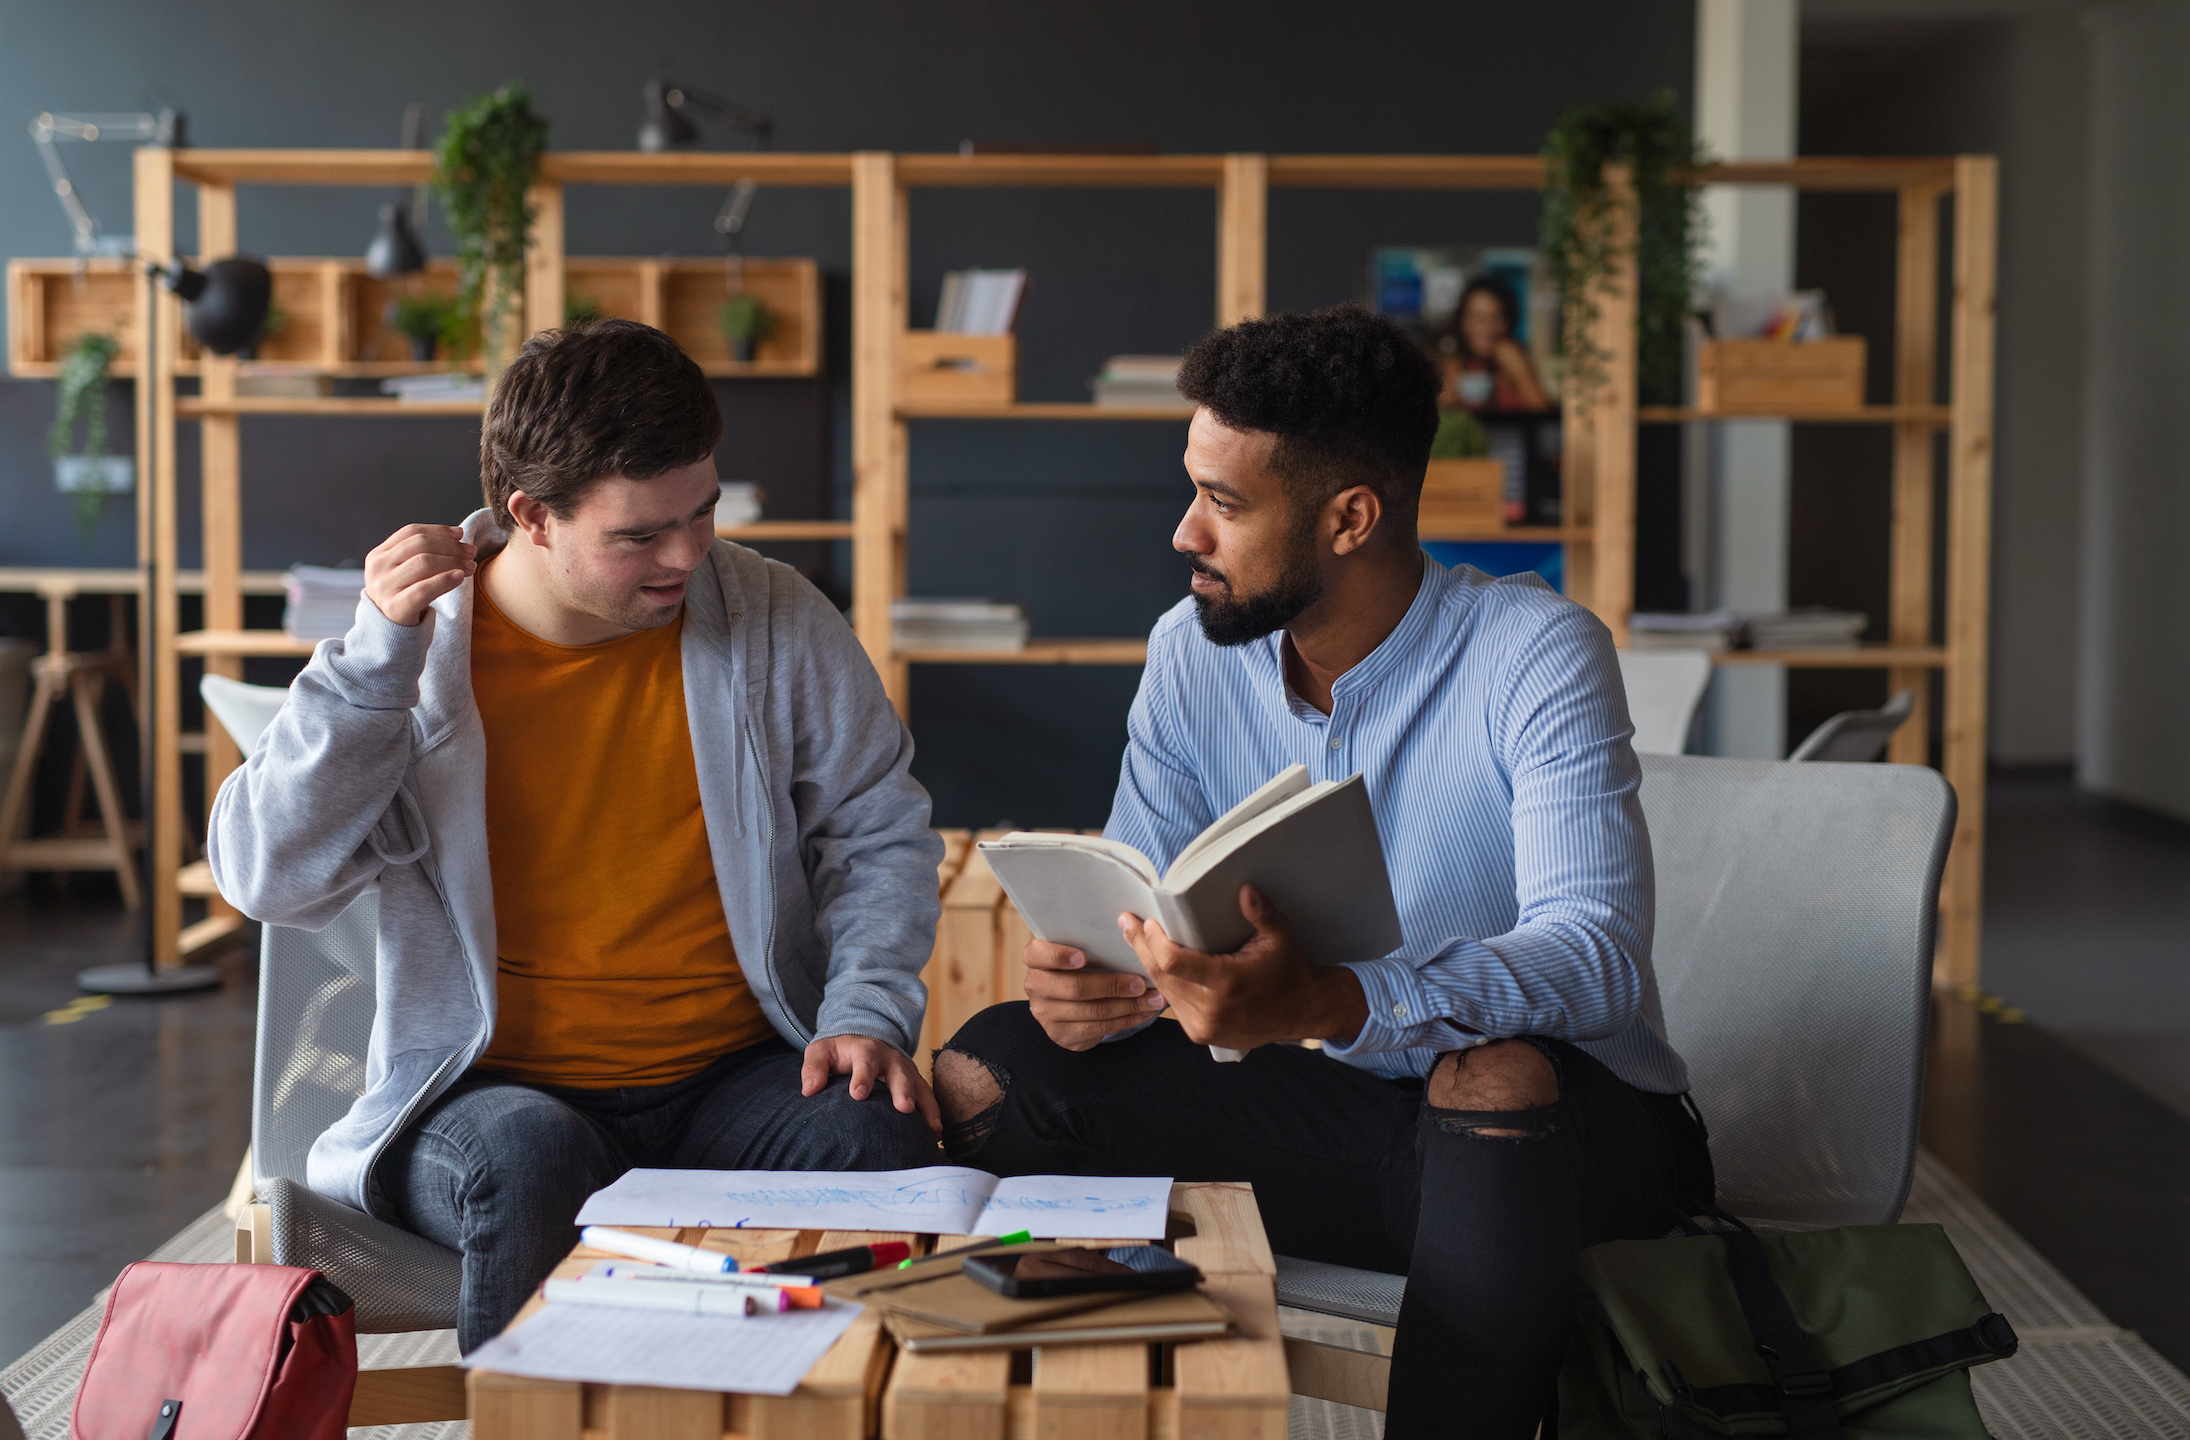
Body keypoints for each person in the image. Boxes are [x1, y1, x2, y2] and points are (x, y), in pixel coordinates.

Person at [935, 306, 1711, 1439]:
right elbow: (1140, 889)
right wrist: (1098, 982)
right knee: (988, 1070)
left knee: (1491, 1078)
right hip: (1341, 1125)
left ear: (1352, 516)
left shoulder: (1535, 653)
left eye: (1225, 503)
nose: (1184, 533)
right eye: (1193, 488)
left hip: (1565, 1144)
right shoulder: (1186, 654)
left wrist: (1340, 998)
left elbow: (1594, 960)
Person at [209, 319, 944, 1351]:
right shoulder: (409, 653)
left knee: (878, 1124)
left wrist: (866, 1009)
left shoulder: (772, 615)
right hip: (482, 1095)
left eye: (703, 512)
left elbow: (879, 832)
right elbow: (263, 877)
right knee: (531, 1155)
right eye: (639, 535)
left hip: (731, 1075)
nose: (687, 554)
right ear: (531, 517)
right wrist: (374, 668)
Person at [1444, 275, 1551, 411]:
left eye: (1497, 318)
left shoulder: (1513, 361)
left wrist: (1519, 370)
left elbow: (1544, 418)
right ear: (1462, 322)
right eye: (1478, 318)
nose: (1487, 328)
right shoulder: (1455, 364)